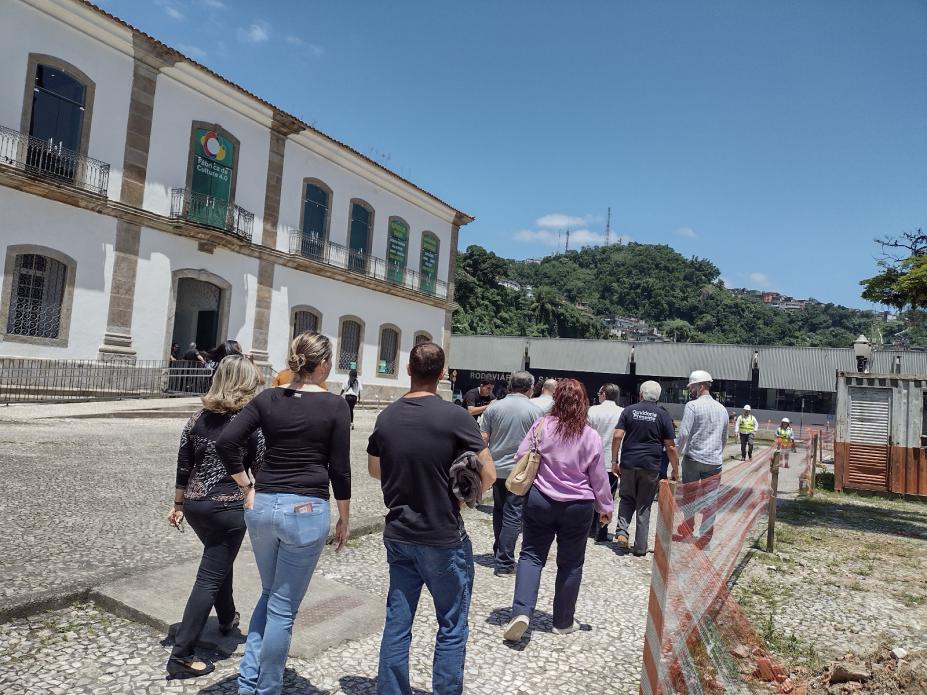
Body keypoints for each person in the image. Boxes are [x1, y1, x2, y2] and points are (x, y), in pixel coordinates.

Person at [216, 331, 351, 695]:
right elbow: (340, 468)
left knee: (271, 593)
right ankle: (268, 688)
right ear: (323, 363)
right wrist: (344, 517)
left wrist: (246, 486)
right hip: (305, 508)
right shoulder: (337, 405)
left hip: (262, 506)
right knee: (283, 608)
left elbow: (226, 442)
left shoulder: (268, 397)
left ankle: (248, 681)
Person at [368, 342, 495, 695]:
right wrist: (460, 488)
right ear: (442, 374)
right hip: (441, 534)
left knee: (398, 620)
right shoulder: (455, 416)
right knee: (452, 623)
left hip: (398, 533)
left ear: (408, 369)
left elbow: (375, 469)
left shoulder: (387, 416)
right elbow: (490, 474)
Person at [166, 355, 265, 679]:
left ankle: (226, 619)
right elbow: (261, 470)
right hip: (228, 508)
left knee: (217, 561)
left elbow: (184, 465)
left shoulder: (196, 419)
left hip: (196, 507)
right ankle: (181, 655)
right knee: (209, 576)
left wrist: (179, 505)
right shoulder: (249, 423)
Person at [503, 379, 614, 642]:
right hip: (578, 505)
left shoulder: (541, 426)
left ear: (557, 400)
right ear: (583, 403)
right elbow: (599, 476)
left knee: (531, 556)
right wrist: (605, 507)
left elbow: (521, 456)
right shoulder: (590, 436)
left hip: (540, 499)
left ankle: (521, 612)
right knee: (571, 563)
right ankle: (563, 621)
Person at [481, 371, 544, 575]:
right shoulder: (535, 412)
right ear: (530, 388)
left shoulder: (494, 407)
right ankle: (505, 562)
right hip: (520, 471)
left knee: (499, 510)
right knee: (514, 514)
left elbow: (483, 439)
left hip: (496, 468)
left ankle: (499, 549)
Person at [611, 381, 678, 556]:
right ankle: (640, 547)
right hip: (651, 465)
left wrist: (614, 461)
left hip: (629, 463)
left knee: (626, 498)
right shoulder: (662, 415)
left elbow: (618, 435)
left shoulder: (629, 410)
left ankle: (622, 532)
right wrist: (675, 470)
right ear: (658, 396)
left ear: (641, 394)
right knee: (644, 505)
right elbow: (670, 447)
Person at [673, 370, 729, 549]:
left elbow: (683, 435)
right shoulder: (722, 409)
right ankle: (705, 538)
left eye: (692, 387)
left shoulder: (692, 406)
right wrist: (717, 453)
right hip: (714, 462)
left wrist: (676, 454)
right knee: (710, 500)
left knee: (689, 496)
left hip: (693, 459)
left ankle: (688, 527)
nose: (690, 390)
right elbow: (724, 437)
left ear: (701, 386)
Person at [586, 383, 623, 542]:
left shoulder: (592, 410)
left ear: (603, 394)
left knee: (590, 494)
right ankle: (601, 531)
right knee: (607, 497)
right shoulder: (622, 412)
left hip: (591, 458)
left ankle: (588, 529)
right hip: (612, 460)